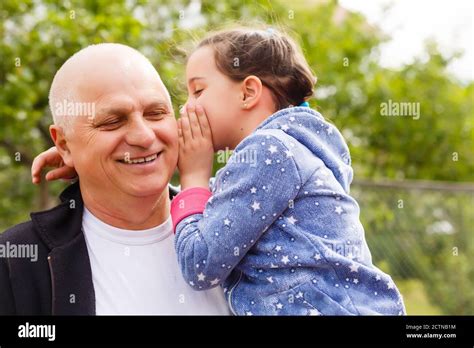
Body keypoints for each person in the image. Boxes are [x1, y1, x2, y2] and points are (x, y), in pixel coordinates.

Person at [171, 28, 406, 315]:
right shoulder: (293, 149)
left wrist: (192, 177)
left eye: (198, 91)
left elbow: (200, 265)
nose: (186, 107)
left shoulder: (270, 150)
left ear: (248, 92)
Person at [0, 43, 229, 315]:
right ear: (63, 143)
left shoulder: (234, 225)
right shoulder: (16, 262)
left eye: (156, 114)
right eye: (112, 121)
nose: (144, 137)